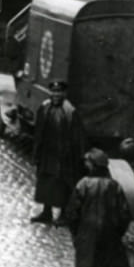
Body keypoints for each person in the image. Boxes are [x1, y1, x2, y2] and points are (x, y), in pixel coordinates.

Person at [63, 148, 132, 267]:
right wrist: (117, 233)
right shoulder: (114, 186)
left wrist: (76, 235)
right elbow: (124, 214)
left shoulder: (83, 184)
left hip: (88, 236)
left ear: (92, 165)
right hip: (109, 236)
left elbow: (72, 214)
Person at [31, 80, 85, 225]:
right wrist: (37, 153)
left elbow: (76, 137)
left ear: (64, 94)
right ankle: (46, 212)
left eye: (59, 92)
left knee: (62, 184)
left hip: (63, 155)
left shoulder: (69, 112)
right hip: (47, 154)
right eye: (53, 92)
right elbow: (38, 132)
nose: (56, 95)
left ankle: (63, 215)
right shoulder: (45, 108)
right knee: (45, 182)